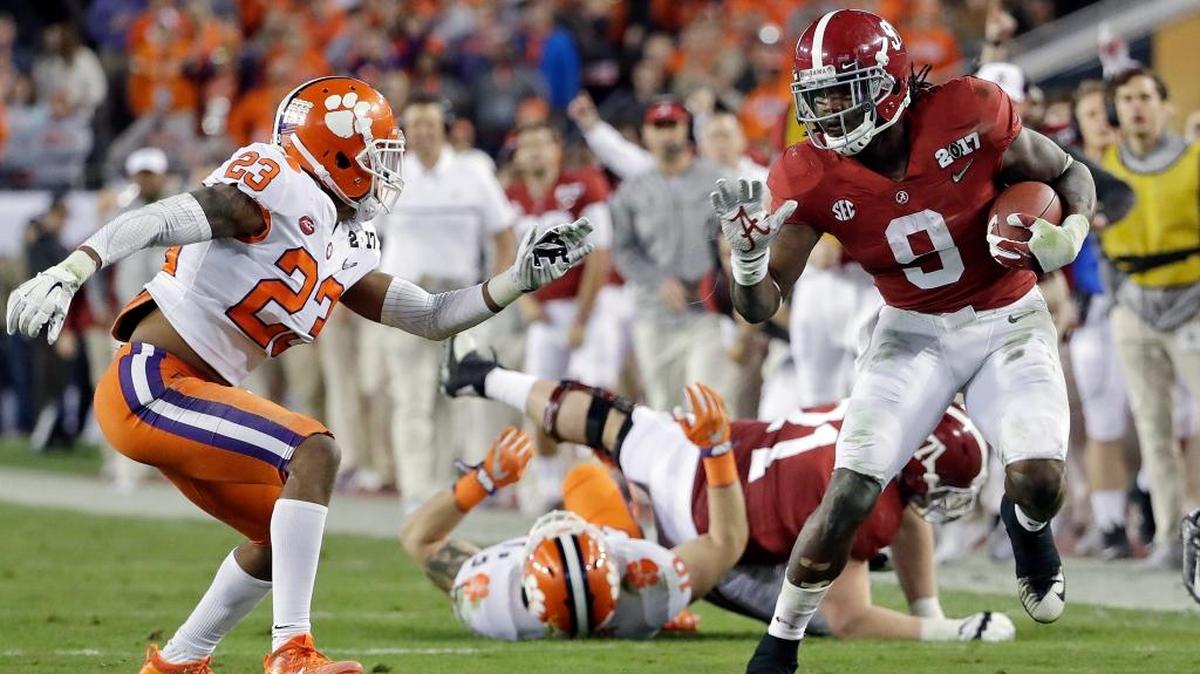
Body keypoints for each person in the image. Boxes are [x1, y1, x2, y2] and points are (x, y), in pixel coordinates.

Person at [5, 75, 593, 674]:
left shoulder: (348, 236)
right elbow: (163, 218)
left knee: (276, 537)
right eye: (375, 150)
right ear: (333, 149)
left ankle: (179, 661)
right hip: (152, 383)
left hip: (192, 390)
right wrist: (76, 265)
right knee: (314, 451)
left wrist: (515, 281)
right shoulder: (277, 182)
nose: (385, 165)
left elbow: (433, 316)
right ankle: (292, 651)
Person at [715, 11, 1096, 671]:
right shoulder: (810, 172)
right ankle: (780, 640)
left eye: (843, 90)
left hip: (1006, 315)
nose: (828, 111)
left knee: (1038, 479)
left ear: (889, 81)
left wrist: (1075, 233)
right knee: (849, 493)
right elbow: (760, 307)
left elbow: (1068, 174)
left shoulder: (969, 110)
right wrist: (747, 266)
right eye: (818, 96)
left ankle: (1028, 528)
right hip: (910, 330)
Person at [439, 339, 1017, 643]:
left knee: (609, 421)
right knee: (818, 618)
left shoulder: (872, 413)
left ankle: (484, 376)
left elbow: (909, 508)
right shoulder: (867, 499)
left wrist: (925, 606)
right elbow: (852, 620)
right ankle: (643, 597)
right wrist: (946, 632)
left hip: (694, 450)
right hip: (710, 528)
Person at [402, 381, 748, 639]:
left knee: (582, 475)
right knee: (584, 475)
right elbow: (725, 541)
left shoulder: (494, 604)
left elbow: (418, 538)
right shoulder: (653, 590)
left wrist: (482, 480)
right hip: (630, 574)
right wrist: (717, 451)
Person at [370, 92, 521, 506]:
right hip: (404, 296)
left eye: (429, 124)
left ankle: (450, 489)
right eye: (414, 124)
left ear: (445, 127)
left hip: (458, 298)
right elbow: (366, 235)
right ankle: (417, 494)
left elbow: (504, 235)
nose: (421, 132)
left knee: (459, 398)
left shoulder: (473, 173)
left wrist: (494, 292)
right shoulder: (391, 174)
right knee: (412, 400)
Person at [1099, 67, 1200, 569]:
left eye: (1145, 97)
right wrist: (1117, 298)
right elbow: (1097, 241)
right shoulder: (1105, 166)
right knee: (1152, 429)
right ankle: (1167, 537)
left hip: (1193, 299)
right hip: (1135, 305)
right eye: (1127, 99)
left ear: (1163, 104)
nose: (1136, 107)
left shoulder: (1194, 161)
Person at [506, 120, 621, 507]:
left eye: (542, 142)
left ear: (557, 149)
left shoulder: (583, 186)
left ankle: (600, 488)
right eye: (528, 144)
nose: (535, 151)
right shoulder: (512, 196)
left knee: (592, 396)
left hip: (586, 307)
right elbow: (504, 254)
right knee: (540, 398)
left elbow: (599, 254)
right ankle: (553, 487)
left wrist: (581, 319)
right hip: (543, 311)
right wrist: (524, 300)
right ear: (518, 154)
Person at [609, 97, 733, 410]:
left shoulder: (717, 180)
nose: (667, 134)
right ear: (645, 134)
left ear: (686, 129)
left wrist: (721, 275)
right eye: (658, 126)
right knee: (664, 410)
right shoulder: (631, 190)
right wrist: (658, 280)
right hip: (655, 314)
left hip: (706, 312)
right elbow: (623, 249)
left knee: (705, 407)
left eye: (673, 125)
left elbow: (736, 237)